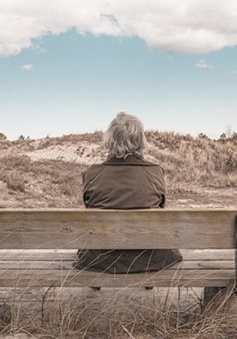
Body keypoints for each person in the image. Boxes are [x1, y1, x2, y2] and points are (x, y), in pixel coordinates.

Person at [73, 112, 183, 274]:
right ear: (140, 141)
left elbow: (90, 208)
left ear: (110, 140)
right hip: (149, 258)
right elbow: (161, 208)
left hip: (101, 259)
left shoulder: (91, 174)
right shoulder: (156, 172)